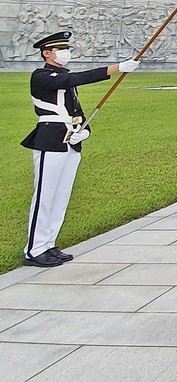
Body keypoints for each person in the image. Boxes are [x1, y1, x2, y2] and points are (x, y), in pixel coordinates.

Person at [22, 30, 138, 267]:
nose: (65, 53)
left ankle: (48, 244)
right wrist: (117, 67)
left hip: (70, 140)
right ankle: (33, 249)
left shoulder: (62, 75)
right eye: (60, 49)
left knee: (61, 197)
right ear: (47, 53)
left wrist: (84, 131)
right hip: (50, 139)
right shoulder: (42, 76)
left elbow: (75, 110)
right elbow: (74, 80)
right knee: (45, 196)